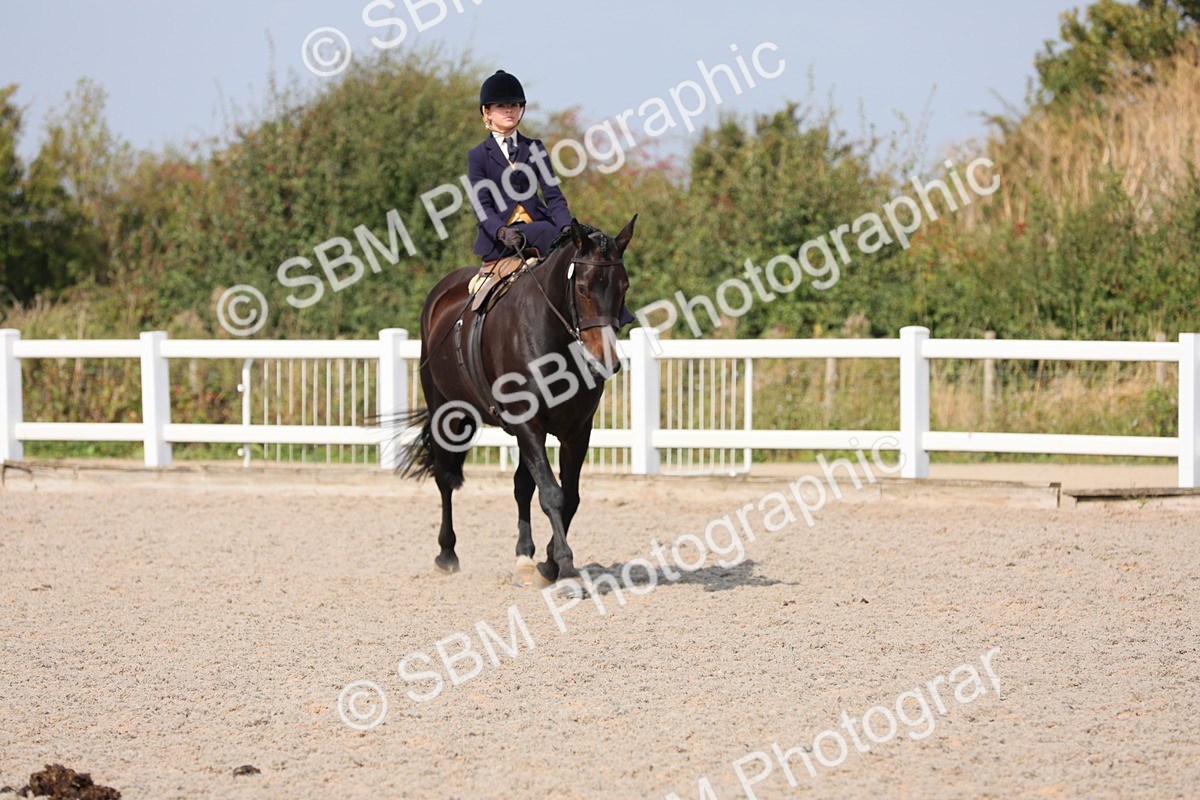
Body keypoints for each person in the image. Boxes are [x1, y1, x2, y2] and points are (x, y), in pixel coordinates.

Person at [467, 70, 571, 266]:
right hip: (501, 240)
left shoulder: (534, 147)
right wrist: (501, 231)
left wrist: (566, 226)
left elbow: (553, 196)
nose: (509, 110)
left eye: (514, 105)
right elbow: (482, 206)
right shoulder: (477, 156)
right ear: (486, 111)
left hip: (540, 231)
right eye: (501, 106)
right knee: (546, 232)